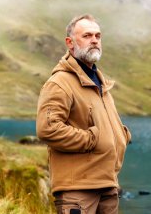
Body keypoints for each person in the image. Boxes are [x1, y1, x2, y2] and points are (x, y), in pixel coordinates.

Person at [36, 14, 131, 214]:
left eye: (98, 35)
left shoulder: (99, 82)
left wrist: (121, 136)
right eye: (87, 35)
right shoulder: (60, 82)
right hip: (77, 190)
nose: (95, 40)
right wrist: (92, 139)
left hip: (107, 184)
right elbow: (48, 129)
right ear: (70, 43)